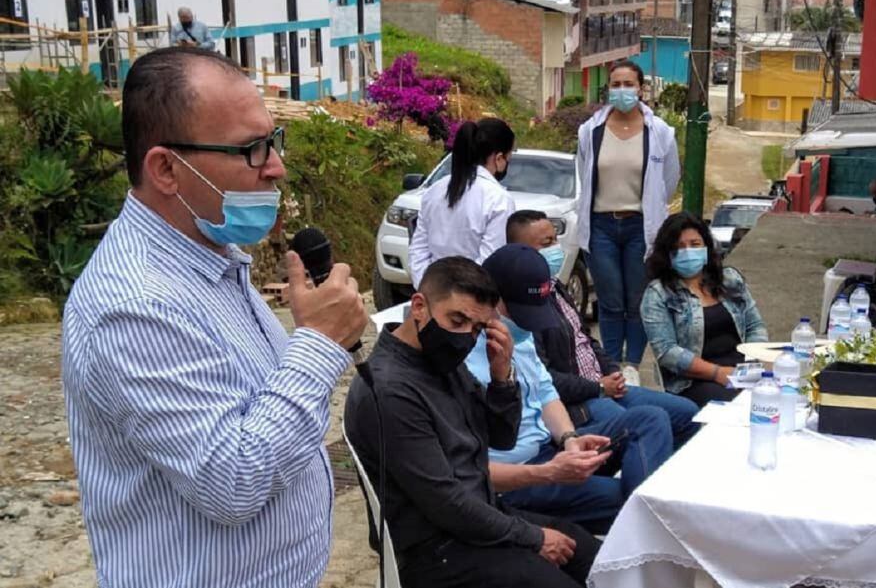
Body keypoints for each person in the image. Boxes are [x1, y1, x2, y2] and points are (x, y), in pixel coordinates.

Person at [61, 47, 369, 587]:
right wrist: (319, 345)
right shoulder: (134, 303)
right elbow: (232, 481)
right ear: (166, 169)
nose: (277, 166)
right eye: (252, 149)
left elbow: (261, 414)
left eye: (274, 141)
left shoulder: (208, 252)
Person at [344, 257, 599, 588]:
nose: (465, 336)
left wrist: (502, 377)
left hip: (477, 518)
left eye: (477, 328)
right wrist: (532, 538)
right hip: (433, 549)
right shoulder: (390, 390)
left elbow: (501, 437)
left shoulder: (441, 361)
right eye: (457, 320)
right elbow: (446, 502)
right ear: (419, 306)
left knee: (586, 551)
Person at [466, 244, 673, 533]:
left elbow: (547, 393)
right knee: (624, 500)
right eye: (519, 314)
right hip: (516, 478)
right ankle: (649, 525)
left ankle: (647, 519)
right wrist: (548, 473)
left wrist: (569, 439)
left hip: (549, 448)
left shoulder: (518, 335)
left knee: (651, 418)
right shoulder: (464, 355)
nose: (527, 326)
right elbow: (464, 470)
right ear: (490, 299)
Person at [506, 210, 700, 447]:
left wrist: (611, 372)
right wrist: (598, 387)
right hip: (580, 400)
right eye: (546, 243)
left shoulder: (557, 286)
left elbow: (586, 339)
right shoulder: (524, 307)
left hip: (604, 386)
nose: (556, 248)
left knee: (688, 413)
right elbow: (545, 378)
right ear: (520, 252)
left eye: (555, 239)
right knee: (639, 426)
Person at [575, 60, 681, 369]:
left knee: (637, 302)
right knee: (609, 301)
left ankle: (632, 366)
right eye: (616, 85)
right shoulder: (590, 131)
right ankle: (611, 367)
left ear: (641, 88)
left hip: (640, 228)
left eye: (628, 84)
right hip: (601, 226)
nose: (622, 91)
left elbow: (669, 180)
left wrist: (650, 210)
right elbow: (585, 174)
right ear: (608, 89)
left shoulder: (659, 132)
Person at [640, 212, 769, 408]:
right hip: (694, 381)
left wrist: (751, 365)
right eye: (679, 247)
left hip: (742, 371)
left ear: (707, 247)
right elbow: (668, 353)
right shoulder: (658, 293)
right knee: (737, 407)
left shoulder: (730, 279)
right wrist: (719, 373)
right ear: (667, 254)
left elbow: (754, 325)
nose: (688, 251)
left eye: (695, 244)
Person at [408, 118, 516, 287]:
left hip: (433, 294)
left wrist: (429, 289)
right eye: (510, 156)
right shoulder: (498, 199)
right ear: (499, 158)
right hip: (473, 299)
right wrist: (462, 296)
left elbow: (418, 250)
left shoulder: (434, 190)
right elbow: (490, 261)